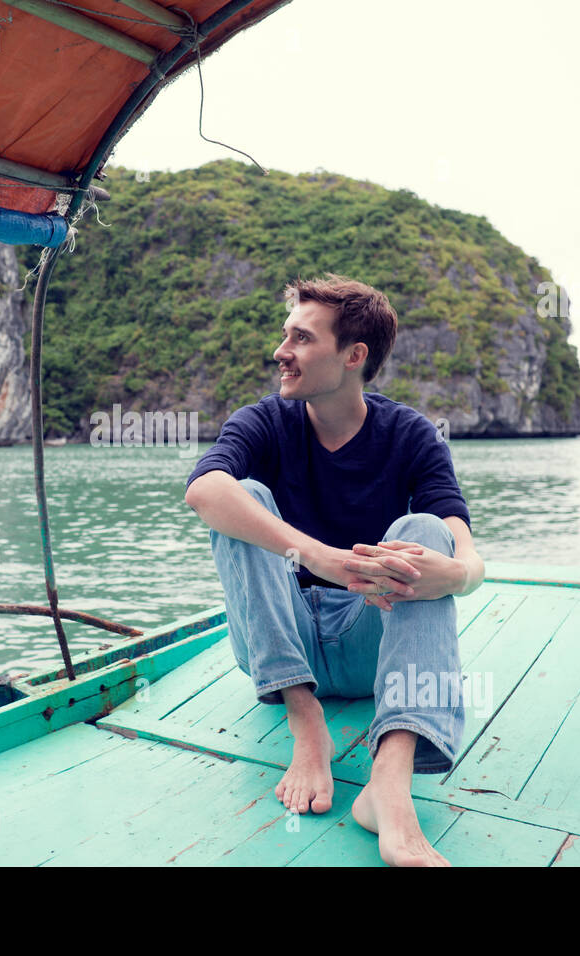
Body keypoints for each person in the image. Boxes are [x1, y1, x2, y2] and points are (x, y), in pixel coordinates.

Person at [183, 273, 484, 867]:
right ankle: (305, 718)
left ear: (353, 356)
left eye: (300, 338)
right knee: (238, 497)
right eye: (284, 335)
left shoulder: (410, 435)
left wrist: (457, 576)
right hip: (279, 638)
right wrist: (318, 556)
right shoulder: (265, 421)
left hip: (369, 639)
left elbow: (465, 553)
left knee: (423, 533)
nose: (280, 351)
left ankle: (389, 787)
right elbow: (203, 491)